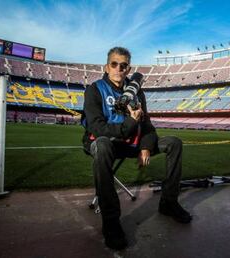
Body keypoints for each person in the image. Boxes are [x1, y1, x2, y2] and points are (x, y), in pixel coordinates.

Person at [82, 47, 192, 250]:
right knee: (104, 144)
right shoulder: (94, 89)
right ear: (107, 66)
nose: (118, 69)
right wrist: (131, 123)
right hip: (105, 143)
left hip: (131, 143)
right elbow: (97, 128)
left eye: (123, 66)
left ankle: (168, 202)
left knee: (174, 142)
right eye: (114, 64)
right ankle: (111, 220)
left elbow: (148, 125)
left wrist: (146, 147)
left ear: (128, 68)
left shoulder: (136, 91)